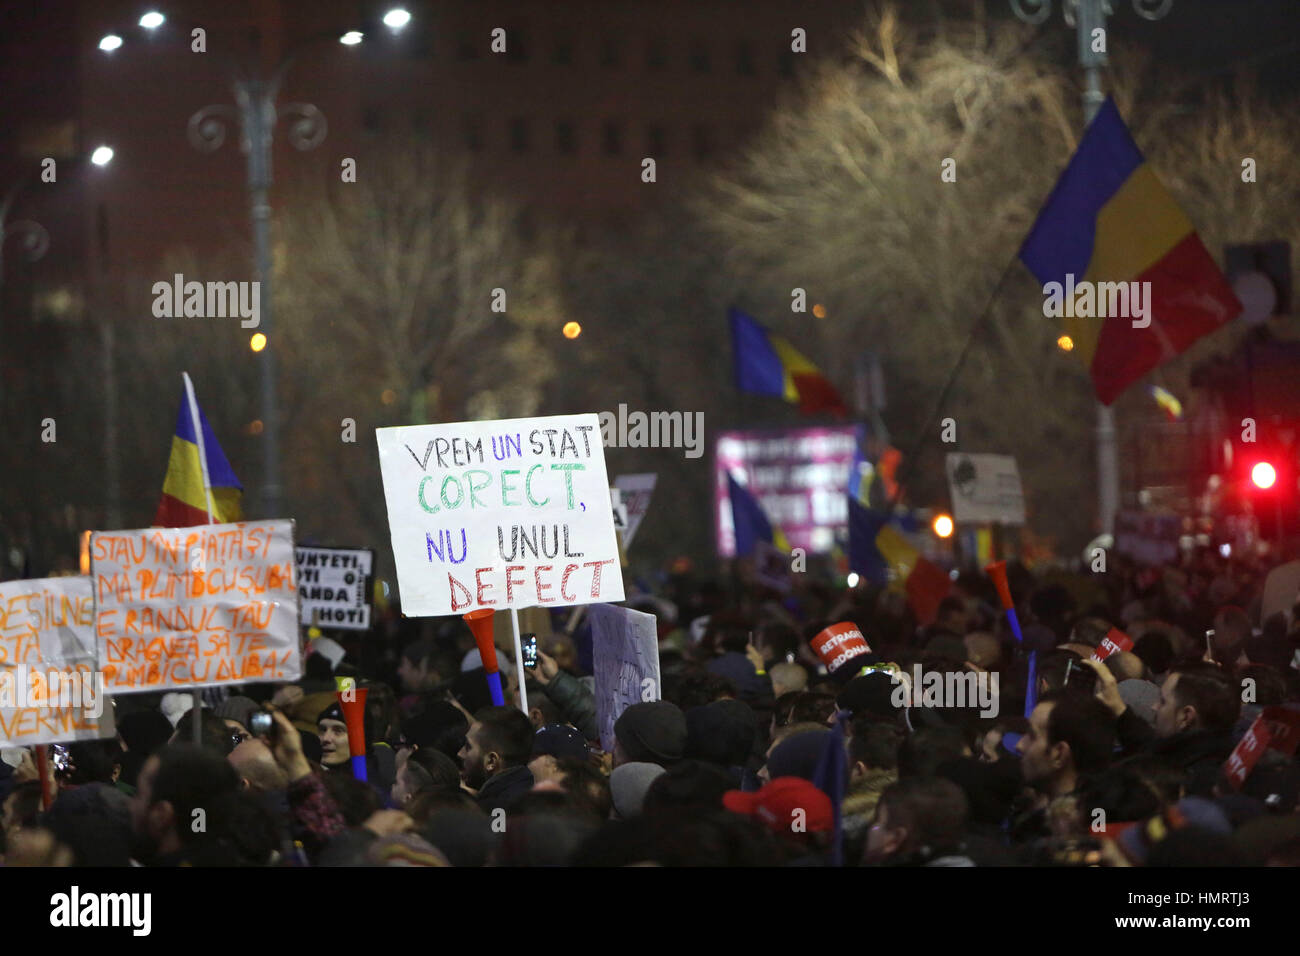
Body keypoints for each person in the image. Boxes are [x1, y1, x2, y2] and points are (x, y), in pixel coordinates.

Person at [459, 706, 536, 812]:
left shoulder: (492, 813)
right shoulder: (537, 798)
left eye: (468, 747)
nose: (460, 754)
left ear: (491, 761)